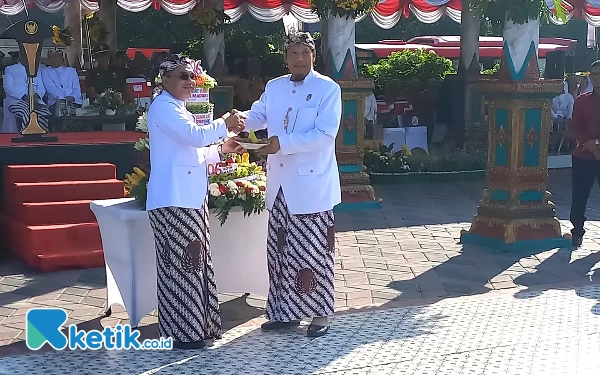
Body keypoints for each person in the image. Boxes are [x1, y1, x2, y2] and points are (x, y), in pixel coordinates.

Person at [240, 31, 341, 337]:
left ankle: (320, 313)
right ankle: (285, 314)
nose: (299, 59)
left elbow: (325, 135)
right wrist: (239, 121)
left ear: (314, 56)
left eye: (305, 53)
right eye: (293, 53)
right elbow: (259, 114)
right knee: (281, 251)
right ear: (285, 58)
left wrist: (281, 143)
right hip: (280, 186)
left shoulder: (327, 88)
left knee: (313, 251)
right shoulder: (275, 86)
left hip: (312, 186)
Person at [146, 54, 245, 350]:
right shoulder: (163, 106)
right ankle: (184, 333)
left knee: (193, 263)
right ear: (164, 80)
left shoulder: (177, 108)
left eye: (192, 77)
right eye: (182, 77)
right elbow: (194, 137)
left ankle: (196, 328)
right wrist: (224, 123)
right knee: (182, 266)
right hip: (173, 199)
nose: (190, 82)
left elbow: (194, 153)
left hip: (188, 198)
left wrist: (223, 148)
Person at [570, 60, 600, 247]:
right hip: (583, 155)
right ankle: (577, 231)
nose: (597, 77)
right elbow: (575, 127)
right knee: (579, 196)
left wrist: (597, 143)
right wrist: (590, 145)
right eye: (594, 74)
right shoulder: (582, 100)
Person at [1, 60, 49, 133]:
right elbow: (8, 88)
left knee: (45, 112)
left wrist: (35, 96)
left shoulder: (37, 70)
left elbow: (41, 88)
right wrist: (25, 97)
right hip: (16, 100)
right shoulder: (10, 69)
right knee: (26, 112)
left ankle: (42, 134)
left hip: (35, 100)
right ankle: (27, 134)